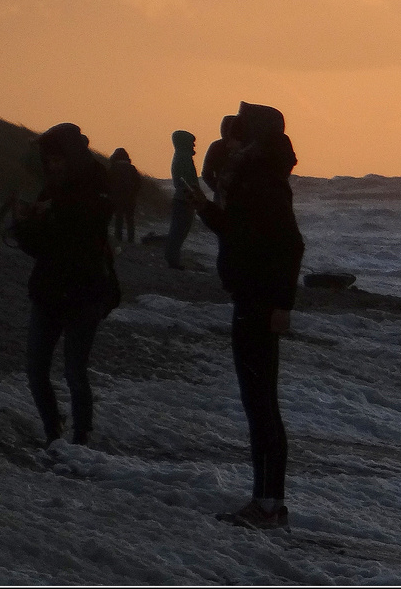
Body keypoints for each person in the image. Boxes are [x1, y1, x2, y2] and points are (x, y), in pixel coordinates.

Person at [191, 102, 303, 530]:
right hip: (251, 297)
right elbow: (241, 232)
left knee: (262, 406)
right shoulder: (256, 176)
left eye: (238, 133)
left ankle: (269, 504)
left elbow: (290, 244)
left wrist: (282, 306)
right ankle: (266, 501)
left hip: (258, 301)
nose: (230, 140)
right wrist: (203, 207)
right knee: (258, 404)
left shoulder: (264, 180)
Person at [16, 123, 121, 446]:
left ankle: (81, 437)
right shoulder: (51, 189)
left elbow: (91, 218)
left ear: (72, 156)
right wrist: (25, 226)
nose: (52, 165)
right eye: (49, 160)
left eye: (57, 158)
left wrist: (53, 209)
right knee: (36, 369)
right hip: (48, 290)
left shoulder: (98, 183)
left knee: (75, 371)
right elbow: (40, 247)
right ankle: (53, 430)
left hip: (85, 291)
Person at [164, 130, 204, 269]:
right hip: (184, 199)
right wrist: (195, 196)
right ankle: (172, 259)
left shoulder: (182, 156)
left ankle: (173, 258)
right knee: (178, 231)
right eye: (191, 143)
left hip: (183, 198)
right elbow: (188, 181)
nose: (194, 146)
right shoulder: (183, 158)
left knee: (179, 231)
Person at [201, 115, 241, 207]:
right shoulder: (216, 147)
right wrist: (218, 188)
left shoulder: (216, 146)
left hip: (235, 193)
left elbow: (206, 173)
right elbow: (207, 173)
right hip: (224, 193)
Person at [107, 148, 142, 244]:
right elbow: (138, 183)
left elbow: (108, 182)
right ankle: (131, 239)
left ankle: (118, 238)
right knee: (130, 219)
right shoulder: (132, 168)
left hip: (117, 197)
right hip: (130, 197)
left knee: (119, 218)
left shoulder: (113, 168)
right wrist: (134, 193)